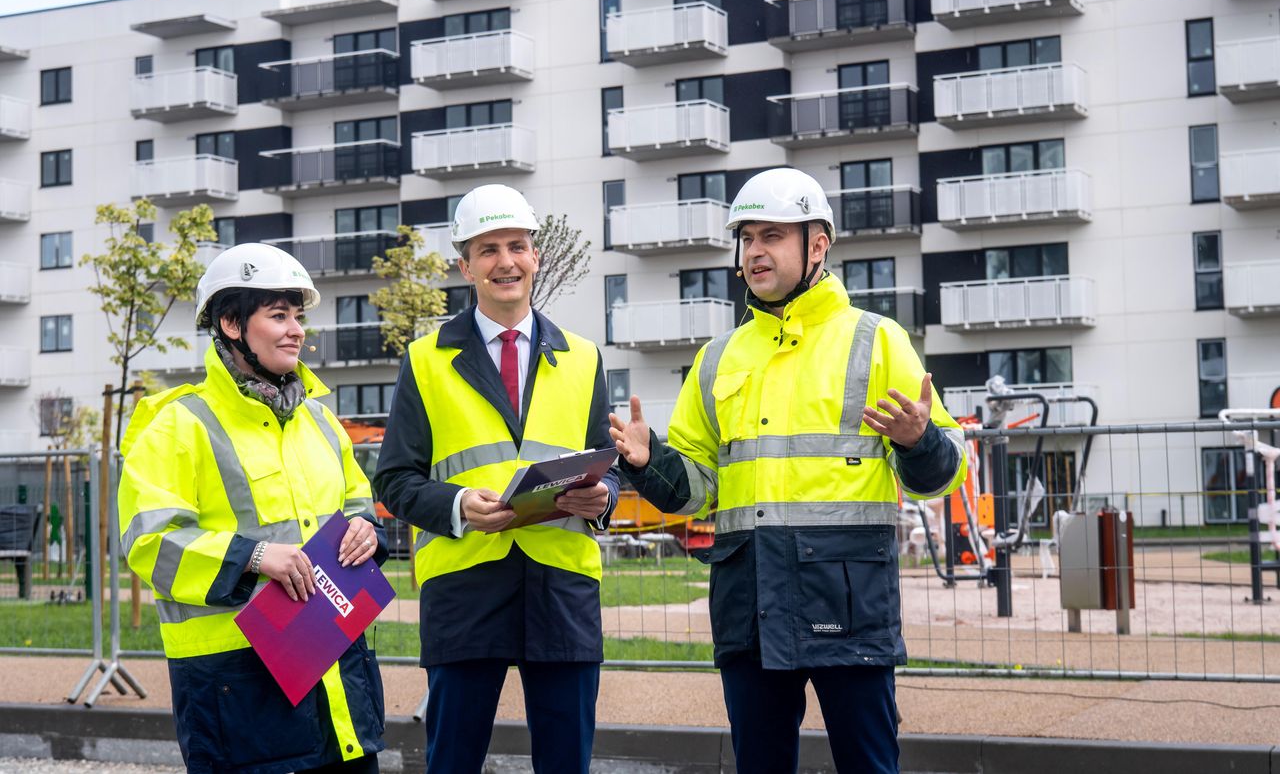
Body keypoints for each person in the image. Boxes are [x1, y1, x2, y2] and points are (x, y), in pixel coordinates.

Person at [609, 168, 968, 774]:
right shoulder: (717, 357)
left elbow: (945, 471)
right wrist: (649, 465)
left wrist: (918, 440)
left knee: (870, 766)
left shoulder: (875, 341)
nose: (754, 252)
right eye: (747, 237)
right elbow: (698, 490)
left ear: (817, 244)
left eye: (771, 235)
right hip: (750, 603)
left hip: (848, 601)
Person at [373, 184, 619, 774]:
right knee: (453, 759)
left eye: (517, 246)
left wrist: (599, 499)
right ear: (465, 264)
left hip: (562, 585)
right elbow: (396, 480)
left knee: (567, 763)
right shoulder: (425, 359)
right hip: (465, 583)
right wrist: (457, 504)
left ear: (536, 256)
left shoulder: (584, 357)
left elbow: (604, 467)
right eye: (488, 250)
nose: (505, 261)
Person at [117, 244, 386, 774]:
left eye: (298, 317)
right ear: (232, 324)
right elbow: (148, 542)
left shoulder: (321, 422)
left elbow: (356, 498)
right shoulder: (177, 425)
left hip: (333, 661)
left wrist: (364, 526)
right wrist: (255, 556)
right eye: (278, 316)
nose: (296, 330)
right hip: (234, 680)